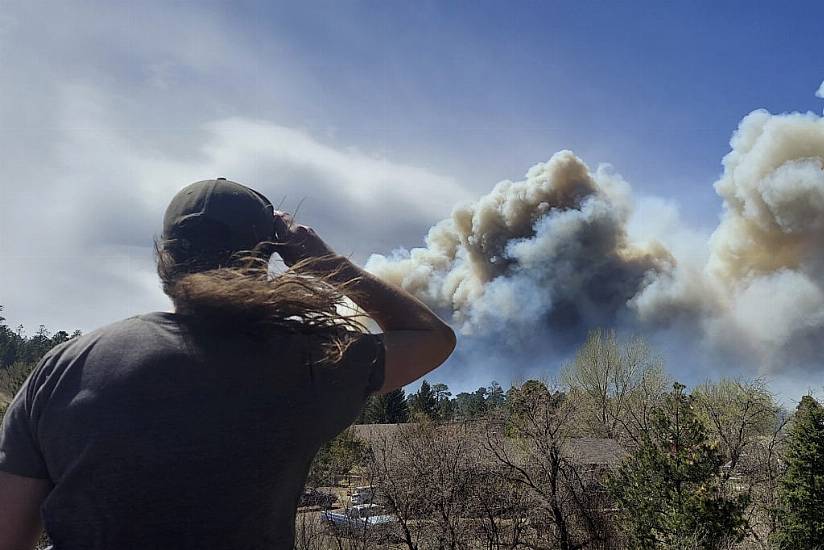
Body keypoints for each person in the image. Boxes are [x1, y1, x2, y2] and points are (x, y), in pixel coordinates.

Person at [0, 178, 456, 549]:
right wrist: (326, 263)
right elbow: (432, 339)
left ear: (166, 258)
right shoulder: (308, 363)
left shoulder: (63, 368)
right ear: (265, 260)